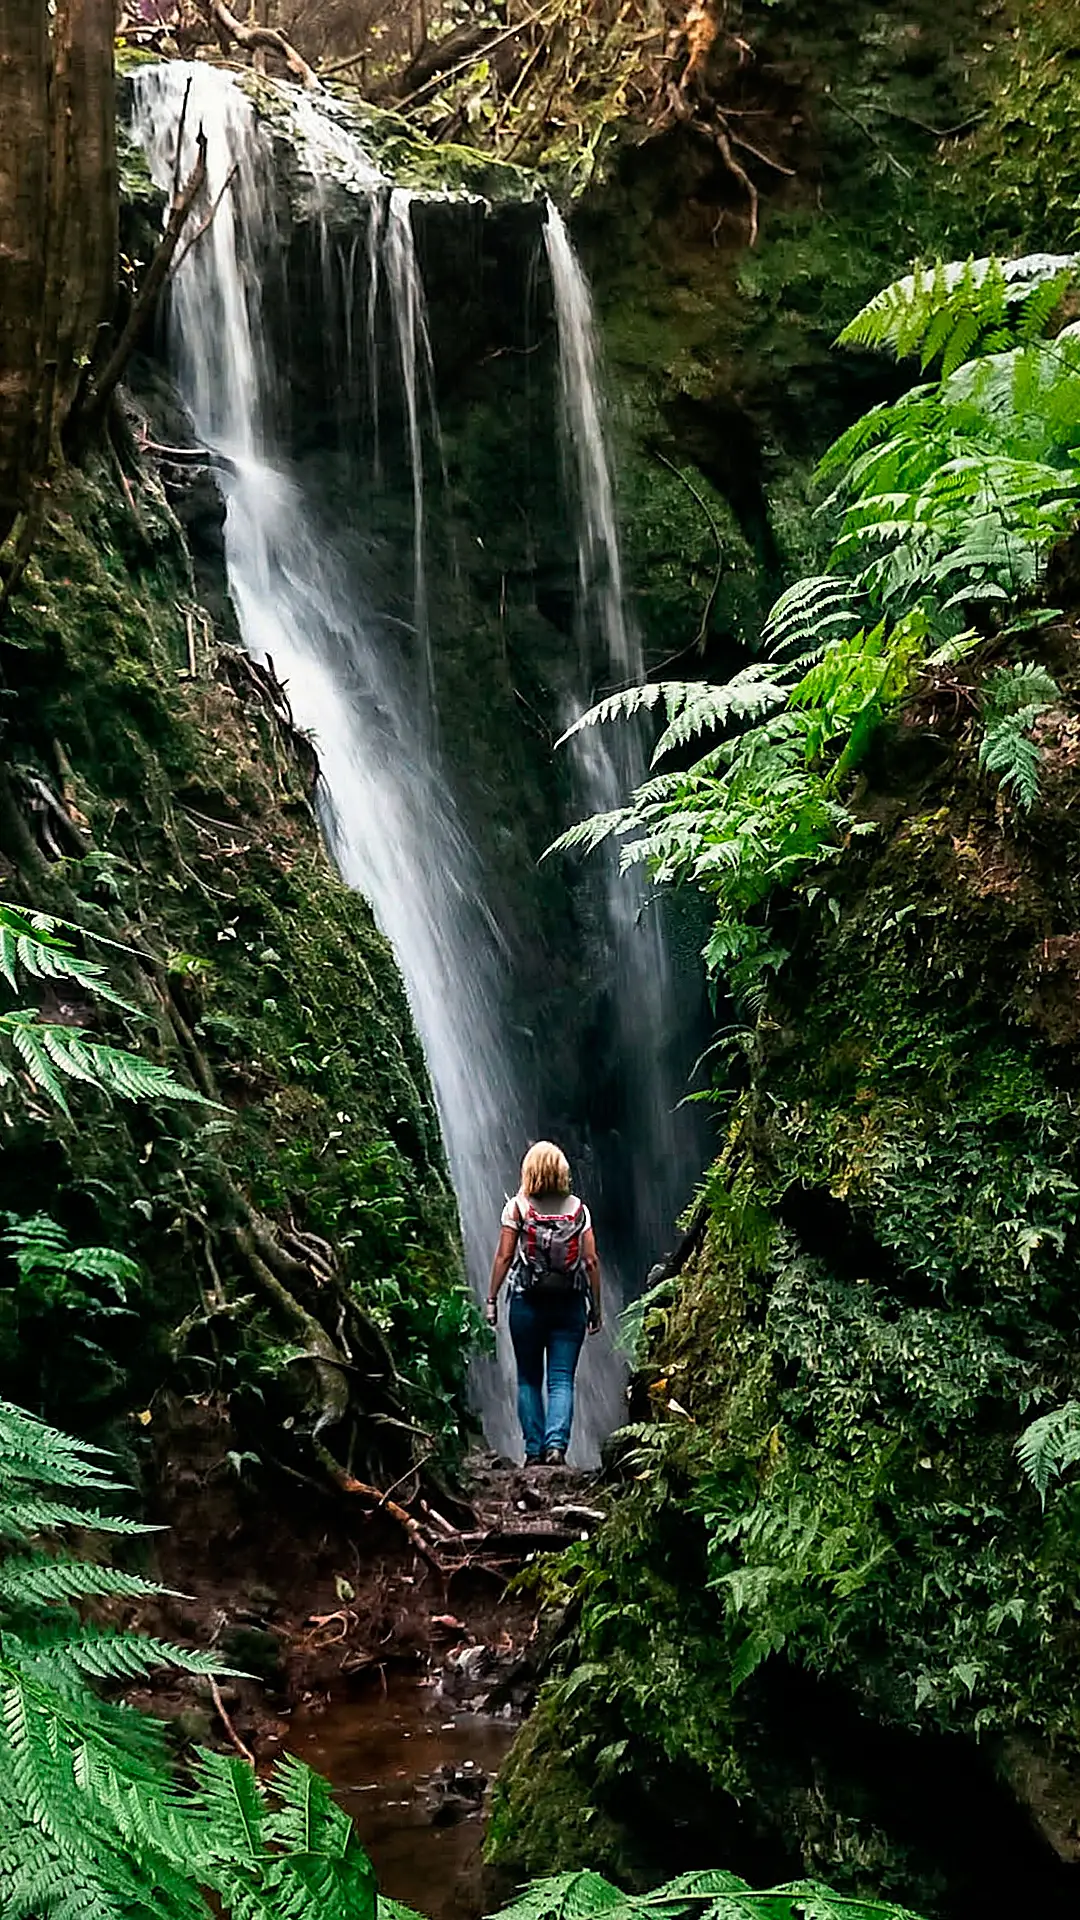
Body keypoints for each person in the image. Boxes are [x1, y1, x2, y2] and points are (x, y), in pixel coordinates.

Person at [485, 1140, 602, 1466]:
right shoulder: (579, 1211)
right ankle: (556, 1448)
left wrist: (492, 1298)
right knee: (561, 1379)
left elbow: (504, 1256)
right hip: (570, 1303)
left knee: (528, 1378)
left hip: (526, 1302)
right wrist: (596, 1307)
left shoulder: (517, 1208)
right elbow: (591, 1261)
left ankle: (534, 1451)